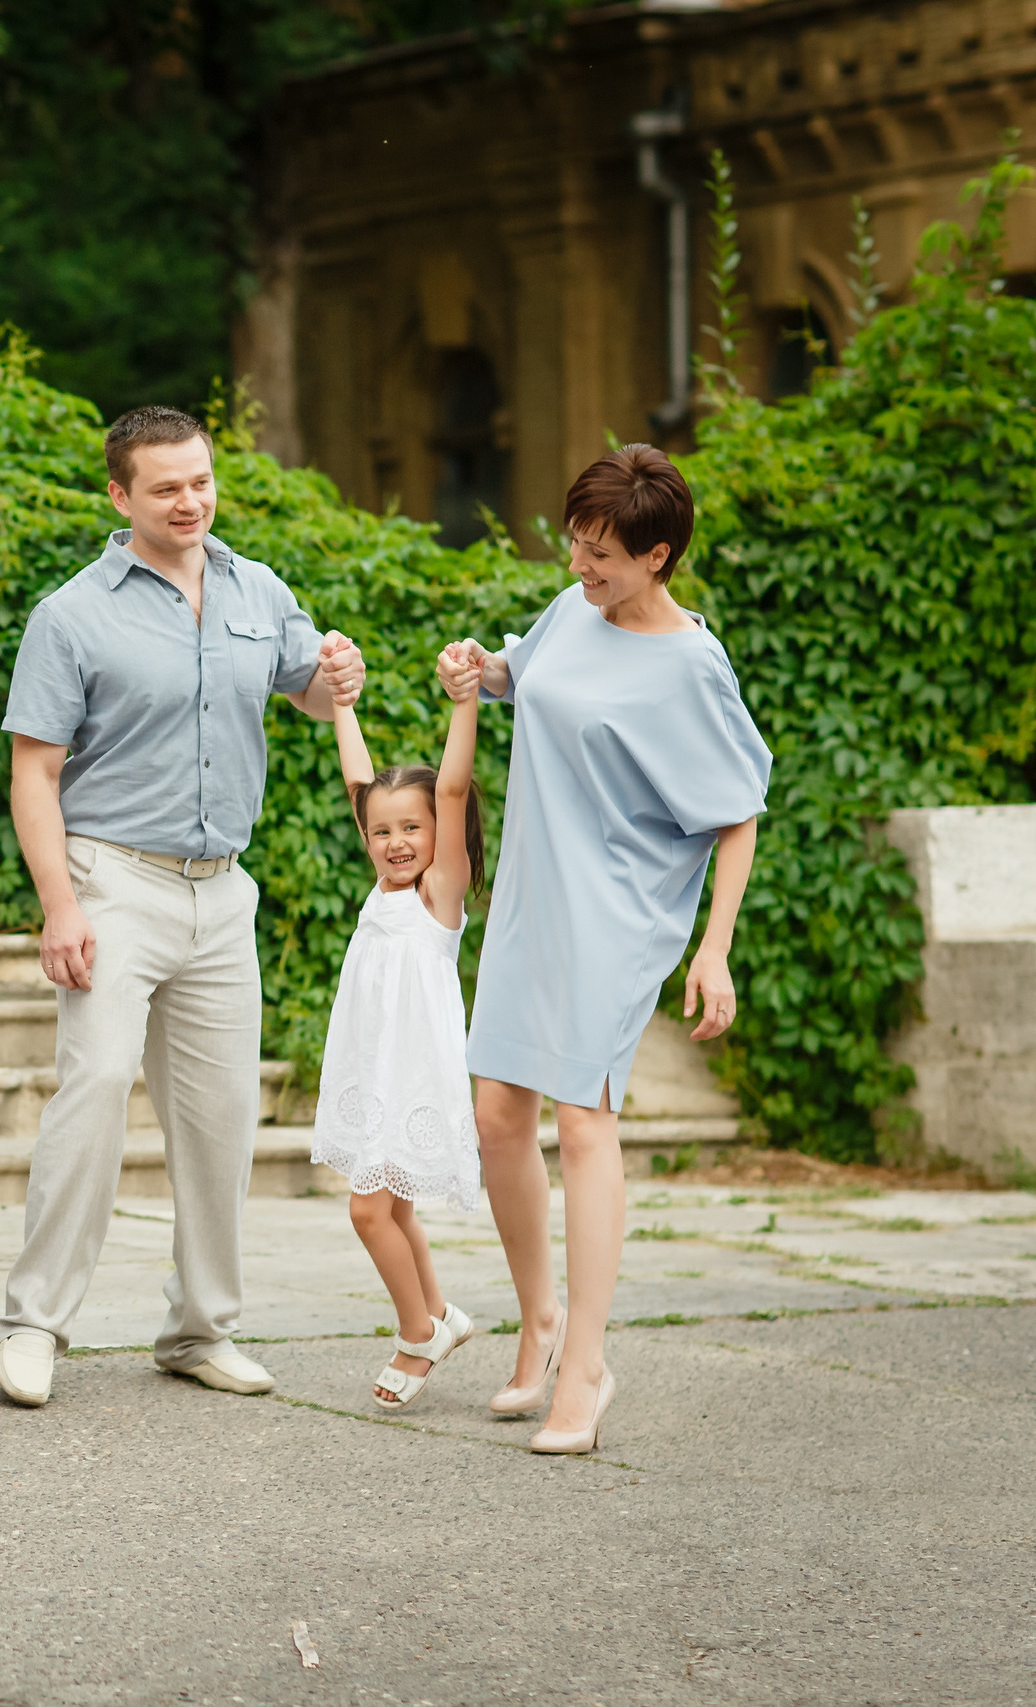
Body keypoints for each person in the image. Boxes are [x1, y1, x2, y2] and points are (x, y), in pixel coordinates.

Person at [0, 405, 365, 1409]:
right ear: (119, 495)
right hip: (113, 880)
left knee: (219, 1118)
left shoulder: (259, 588)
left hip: (221, 893)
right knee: (96, 1085)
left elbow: (313, 693)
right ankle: (32, 1325)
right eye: (165, 487)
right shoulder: (70, 615)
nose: (189, 501)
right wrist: (59, 903)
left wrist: (340, 678)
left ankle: (200, 1329)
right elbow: (34, 773)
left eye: (199, 481)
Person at [439, 444, 769, 1455]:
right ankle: (539, 1322)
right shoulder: (570, 611)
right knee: (498, 1117)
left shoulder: (690, 665)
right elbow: (522, 680)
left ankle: (585, 1367)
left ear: (657, 555)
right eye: (575, 543)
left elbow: (736, 813)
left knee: (582, 1121)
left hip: (621, 911)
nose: (579, 565)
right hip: (533, 896)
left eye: (601, 554)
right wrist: (478, 671)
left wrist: (711, 951)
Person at [313, 657, 485, 1411]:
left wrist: (465, 702)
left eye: (411, 826)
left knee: (367, 1209)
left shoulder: (438, 895)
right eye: (382, 831)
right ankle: (441, 1313)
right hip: (372, 1068)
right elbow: (359, 782)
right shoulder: (379, 889)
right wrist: (342, 703)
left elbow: (450, 786)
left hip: (412, 1072)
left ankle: (416, 1333)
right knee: (398, 1207)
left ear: (440, 831)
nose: (394, 841)